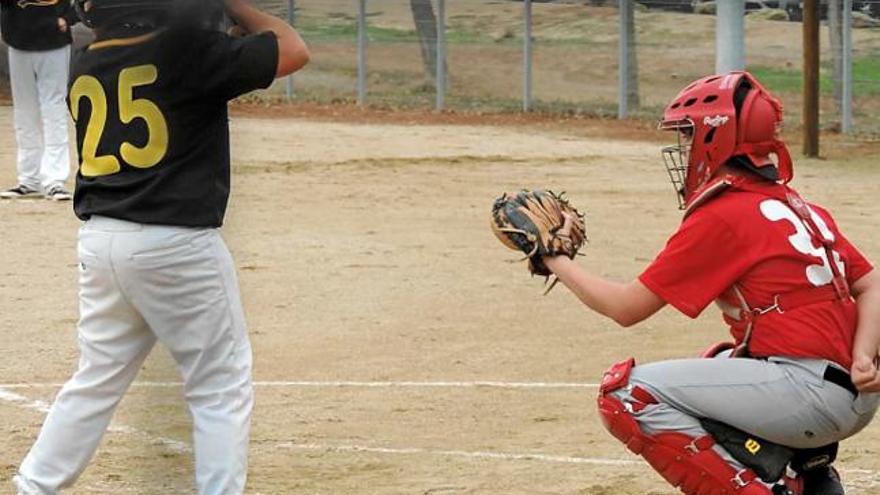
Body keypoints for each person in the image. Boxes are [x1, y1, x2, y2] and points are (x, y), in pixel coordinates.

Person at [12, 0, 309, 493]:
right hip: (176, 243)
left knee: (96, 379)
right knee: (219, 384)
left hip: (102, 240)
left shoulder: (88, 59)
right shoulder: (185, 47)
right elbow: (293, 50)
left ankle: (33, 486)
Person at [544, 72, 879, 495]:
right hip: (853, 394)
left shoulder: (724, 214)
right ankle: (809, 478)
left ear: (714, 139)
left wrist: (553, 259)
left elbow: (625, 308)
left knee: (627, 395)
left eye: (689, 135)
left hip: (808, 397)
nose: (683, 149)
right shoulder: (795, 204)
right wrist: (865, 355)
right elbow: (873, 284)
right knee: (722, 359)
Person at [0, 0, 78, 200]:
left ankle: (55, 180)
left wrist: (69, 17)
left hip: (53, 40)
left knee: (54, 110)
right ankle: (29, 178)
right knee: (24, 111)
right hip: (19, 39)